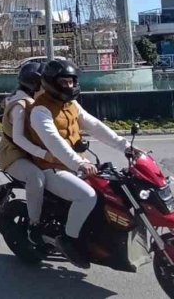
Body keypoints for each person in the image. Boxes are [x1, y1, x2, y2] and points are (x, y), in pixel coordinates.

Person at [26, 59, 133, 269]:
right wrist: (79, 164)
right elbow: (54, 142)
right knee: (87, 196)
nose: (69, 87)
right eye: (64, 82)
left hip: (74, 165)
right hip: (50, 168)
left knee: (112, 191)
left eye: (72, 82)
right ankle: (70, 239)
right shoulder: (40, 111)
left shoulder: (71, 104)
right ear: (50, 83)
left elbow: (94, 125)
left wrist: (125, 146)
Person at [0, 62, 53, 246]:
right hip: (14, 155)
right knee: (36, 178)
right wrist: (43, 154)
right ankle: (34, 225)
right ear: (35, 84)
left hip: (32, 154)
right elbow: (19, 139)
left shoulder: (37, 102)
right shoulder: (19, 105)